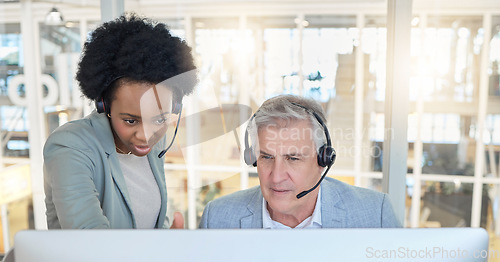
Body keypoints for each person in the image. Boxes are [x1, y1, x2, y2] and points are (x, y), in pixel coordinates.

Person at [44, 14, 197, 229]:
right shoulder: (70, 146)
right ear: (104, 106)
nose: (146, 135)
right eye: (131, 121)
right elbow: (90, 239)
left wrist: (167, 241)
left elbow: (150, 223)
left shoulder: (153, 145)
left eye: (160, 119)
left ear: (176, 107)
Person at [199, 95, 401, 229]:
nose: (276, 177)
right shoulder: (217, 219)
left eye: (293, 158)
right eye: (267, 157)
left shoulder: (376, 215)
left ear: (323, 159)